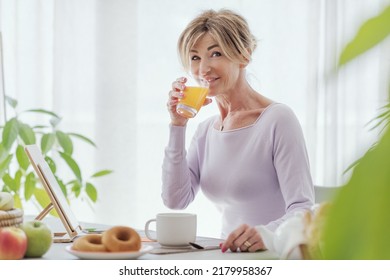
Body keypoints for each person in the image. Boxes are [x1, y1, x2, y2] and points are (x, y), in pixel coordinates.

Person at [163, 9, 314, 253]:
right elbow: (175, 199)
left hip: (273, 255)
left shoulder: (277, 120)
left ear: (244, 56)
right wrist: (177, 125)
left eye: (216, 53)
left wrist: (266, 233)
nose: (203, 69)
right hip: (227, 256)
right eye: (194, 57)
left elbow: (302, 209)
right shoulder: (205, 130)